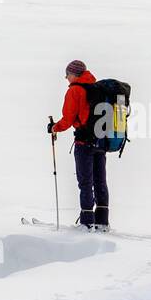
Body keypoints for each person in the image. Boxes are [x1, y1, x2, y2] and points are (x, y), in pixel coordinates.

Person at [49, 59, 110, 230]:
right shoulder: (97, 88)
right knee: (100, 181)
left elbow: (68, 119)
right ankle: (102, 221)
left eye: (67, 74)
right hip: (101, 141)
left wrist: (54, 127)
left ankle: (87, 221)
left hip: (84, 142)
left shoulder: (75, 91)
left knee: (85, 182)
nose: (66, 77)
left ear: (74, 74)